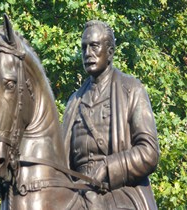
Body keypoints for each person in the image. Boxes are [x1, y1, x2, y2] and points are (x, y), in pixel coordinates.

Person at [63, 20, 160, 210]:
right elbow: (59, 162)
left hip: (119, 190)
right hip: (78, 193)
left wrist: (110, 168)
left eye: (94, 46)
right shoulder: (74, 102)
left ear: (110, 52)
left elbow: (149, 152)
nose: (88, 53)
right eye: (83, 48)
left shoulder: (131, 89)